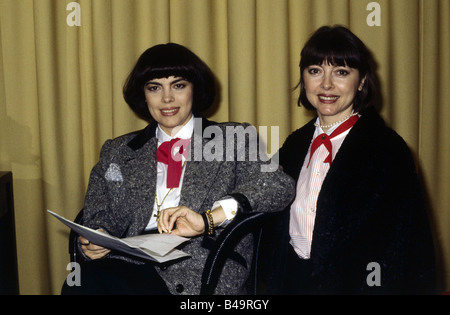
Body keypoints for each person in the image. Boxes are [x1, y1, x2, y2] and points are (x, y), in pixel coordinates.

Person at [61, 43, 295, 295]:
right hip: (129, 266)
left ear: (195, 89)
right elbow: (99, 212)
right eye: (154, 88)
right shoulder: (117, 152)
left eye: (179, 85)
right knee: (81, 282)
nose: (167, 99)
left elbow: (278, 187)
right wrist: (97, 237)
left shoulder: (234, 138)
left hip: (203, 270)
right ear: (144, 95)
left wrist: (209, 219)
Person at [276, 25, 436, 294]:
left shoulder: (386, 148)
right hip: (293, 282)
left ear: (361, 81)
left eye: (341, 72)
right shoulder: (294, 145)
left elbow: (403, 245)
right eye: (315, 71)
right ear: (304, 79)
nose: (326, 84)